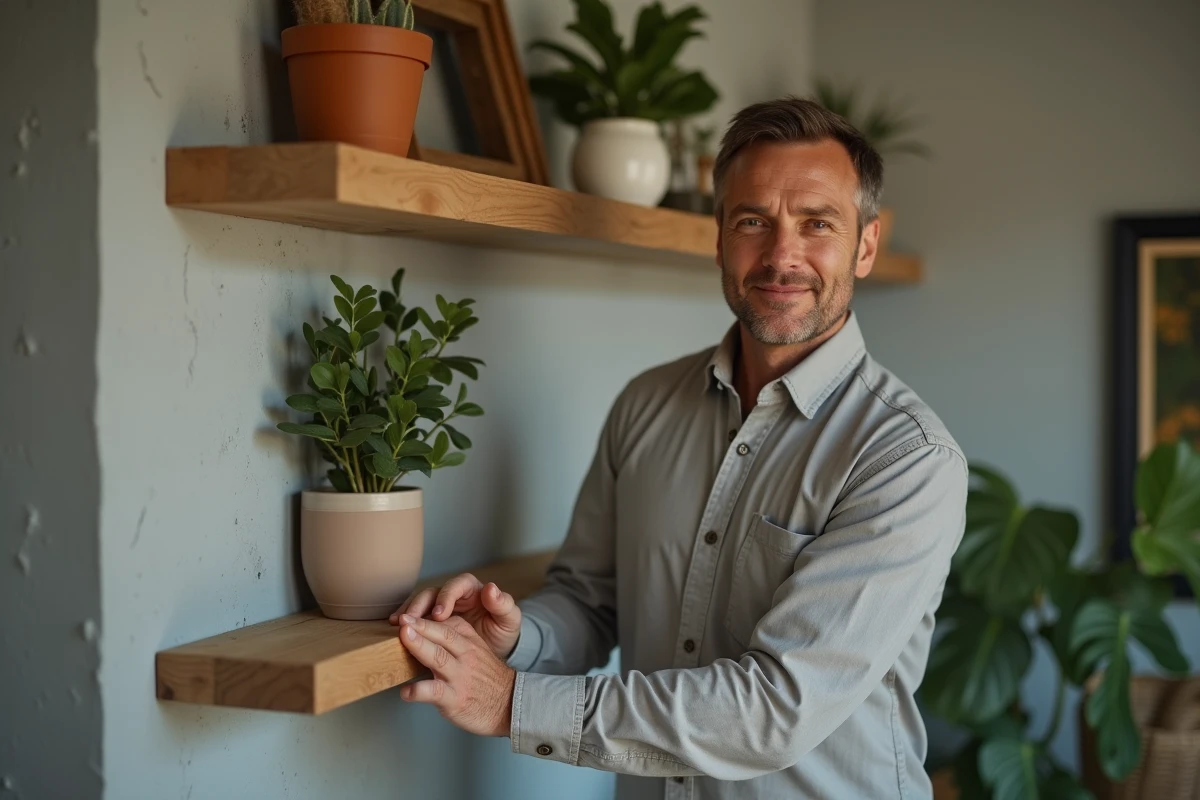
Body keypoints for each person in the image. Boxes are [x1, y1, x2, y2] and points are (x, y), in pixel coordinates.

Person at [388, 96, 968, 800]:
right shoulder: (645, 405)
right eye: (753, 221)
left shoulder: (906, 459)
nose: (781, 256)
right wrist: (515, 636)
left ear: (866, 246)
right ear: (719, 238)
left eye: (817, 224)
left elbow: (775, 710)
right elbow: (590, 600)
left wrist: (512, 701)